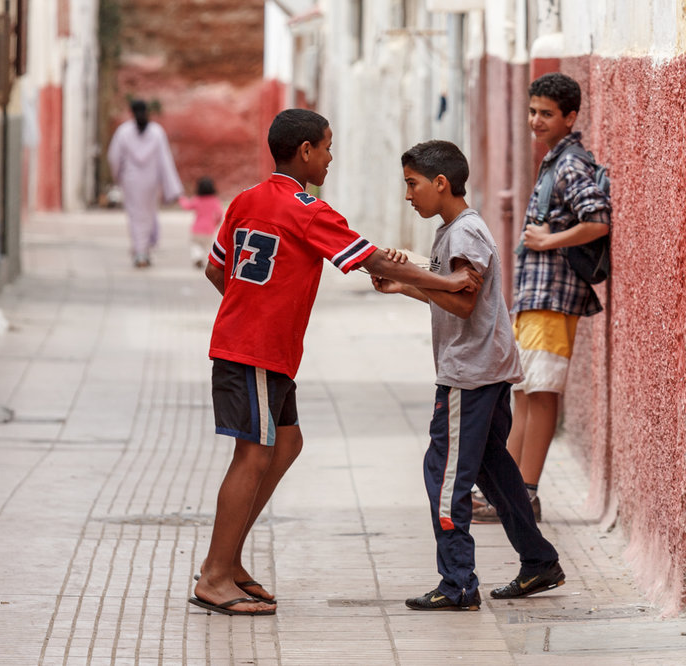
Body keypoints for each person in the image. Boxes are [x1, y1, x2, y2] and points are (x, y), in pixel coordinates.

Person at [190, 109, 482, 617]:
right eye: (327, 148)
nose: (330, 159)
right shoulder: (308, 208)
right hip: (255, 350)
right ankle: (215, 575)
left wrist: (247, 308)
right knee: (253, 455)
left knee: (287, 442)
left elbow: (218, 269)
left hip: (260, 348)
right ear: (304, 151)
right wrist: (446, 281)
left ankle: (229, 560)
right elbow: (375, 261)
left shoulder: (245, 200)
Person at [371, 139, 565, 611]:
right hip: (486, 369)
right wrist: (405, 285)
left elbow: (462, 300)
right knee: (492, 468)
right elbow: (451, 296)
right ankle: (539, 561)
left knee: (444, 474)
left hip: (470, 376)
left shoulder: (463, 234)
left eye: (412, 185)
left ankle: (458, 581)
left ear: (441, 183)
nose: (408, 195)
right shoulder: (456, 230)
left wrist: (415, 277)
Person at [472, 72, 611, 524]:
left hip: (554, 296)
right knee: (525, 390)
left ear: (570, 117)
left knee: (543, 391)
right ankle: (506, 490)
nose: (536, 120)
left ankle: (524, 493)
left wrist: (550, 240)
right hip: (536, 297)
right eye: (533, 112)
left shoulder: (571, 164)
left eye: (546, 114)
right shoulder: (554, 161)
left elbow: (598, 220)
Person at [107, 99, 184, 268]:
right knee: (148, 215)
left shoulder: (123, 132)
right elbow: (165, 161)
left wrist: (117, 176)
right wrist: (170, 186)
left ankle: (140, 251)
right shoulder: (157, 132)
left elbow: (114, 157)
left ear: (131, 113)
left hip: (131, 181)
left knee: (135, 216)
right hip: (151, 181)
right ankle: (144, 250)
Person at [178, 176, 224, 268]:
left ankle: (198, 257)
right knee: (207, 246)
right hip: (209, 229)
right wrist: (216, 223)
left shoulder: (197, 199)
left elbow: (186, 206)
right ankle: (210, 260)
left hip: (197, 229)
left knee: (195, 245)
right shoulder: (215, 200)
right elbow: (219, 214)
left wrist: (181, 198)